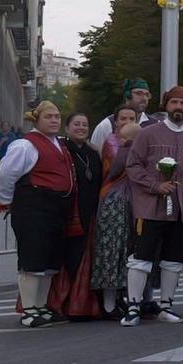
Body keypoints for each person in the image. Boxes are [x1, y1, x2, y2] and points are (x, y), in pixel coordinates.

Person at [119, 86, 183, 326]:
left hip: (182, 208)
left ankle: (166, 305)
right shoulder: (148, 134)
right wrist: (154, 185)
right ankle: (133, 306)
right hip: (151, 207)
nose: (179, 107)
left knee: (174, 259)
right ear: (166, 105)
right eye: (174, 103)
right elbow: (133, 166)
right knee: (142, 257)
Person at [0, 101, 76, 328]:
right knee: (32, 257)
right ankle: (29, 310)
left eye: (57, 116)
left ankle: (41, 307)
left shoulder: (59, 144)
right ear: (36, 119)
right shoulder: (25, 145)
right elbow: (6, 174)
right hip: (33, 206)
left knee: (50, 259)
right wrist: (6, 200)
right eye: (49, 116)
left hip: (56, 208)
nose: (54, 120)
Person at [49, 111, 106, 319]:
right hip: (68, 213)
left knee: (84, 259)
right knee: (67, 259)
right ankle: (60, 304)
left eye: (85, 124)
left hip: (89, 214)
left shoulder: (93, 153)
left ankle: (81, 305)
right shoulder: (62, 150)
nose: (81, 128)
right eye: (77, 124)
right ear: (67, 128)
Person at [90, 107, 143, 316]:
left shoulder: (139, 142)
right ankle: (109, 303)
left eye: (132, 118)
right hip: (114, 200)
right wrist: (131, 143)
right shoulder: (112, 142)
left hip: (135, 200)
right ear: (116, 122)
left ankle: (127, 297)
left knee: (131, 249)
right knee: (112, 248)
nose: (128, 121)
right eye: (123, 118)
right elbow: (117, 168)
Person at [90, 79, 152, 152]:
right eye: (139, 93)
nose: (144, 98)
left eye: (147, 94)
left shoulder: (154, 124)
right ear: (127, 96)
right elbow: (95, 155)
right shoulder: (107, 125)